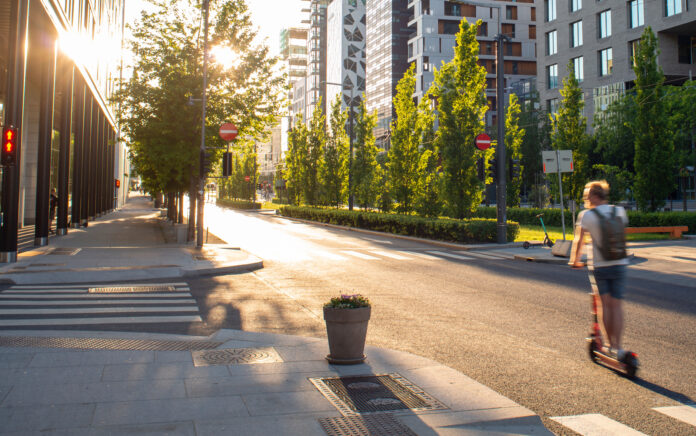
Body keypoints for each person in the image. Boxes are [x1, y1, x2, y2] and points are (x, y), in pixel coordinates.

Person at [569, 180, 629, 360]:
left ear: (594, 196)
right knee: (617, 305)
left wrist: (575, 260)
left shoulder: (586, 215)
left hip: (601, 265)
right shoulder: (619, 211)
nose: (586, 199)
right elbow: (622, 236)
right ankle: (618, 347)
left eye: (587, 196)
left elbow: (579, 241)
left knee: (604, 305)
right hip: (620, 263)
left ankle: (609, 345)